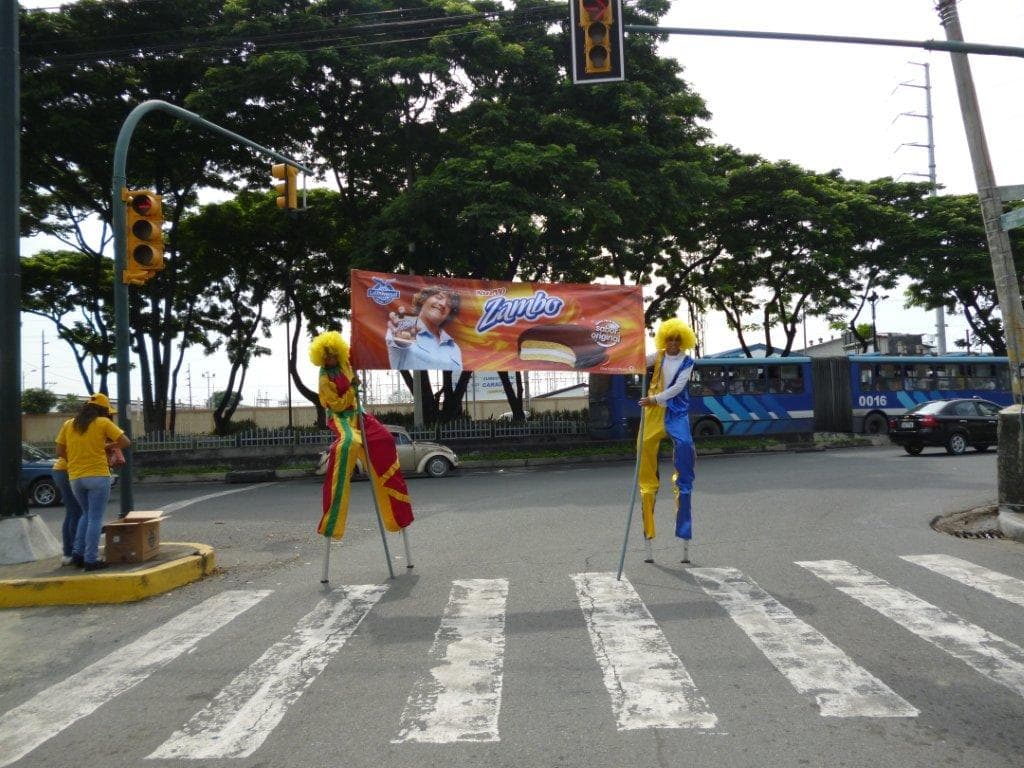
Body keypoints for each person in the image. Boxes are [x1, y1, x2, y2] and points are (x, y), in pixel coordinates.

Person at [310, 330, 414, 539]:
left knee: (385, 439)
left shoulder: (344, 362)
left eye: (333, 354)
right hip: (341, 417)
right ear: (321, 357)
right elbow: (337, 404)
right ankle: (333, 519)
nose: (330, 358)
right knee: (347, 444)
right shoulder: (324, 379)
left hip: (360, 413)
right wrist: (351, 389)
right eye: (327, 356)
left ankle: (398, 515)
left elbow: (359, 349)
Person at [636, 318, 699, 563]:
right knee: (643, 450)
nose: (672, 343)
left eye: (677, 339)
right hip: (653, 414)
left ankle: (683, 501)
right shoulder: (659, 356)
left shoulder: (687, 362)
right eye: (669, 339)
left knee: (684, 448)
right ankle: (648, 520)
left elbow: (677, 389)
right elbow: (640, 362)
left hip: (675, 412)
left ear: (682, 341)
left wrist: (654, 399)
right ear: (664, 340)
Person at [57, 393, 130, 571]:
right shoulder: (102, 423)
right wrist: (108, 447)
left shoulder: (69, 424)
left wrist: (76, 460)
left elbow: (60, 450)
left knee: (86, 514)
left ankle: (77, 554)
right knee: (95, 519)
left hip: (75, 478)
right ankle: (90, 559)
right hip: (97, 475)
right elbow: (125, 442)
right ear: (103, 410)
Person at [385, 286, 463, 374]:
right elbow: (397, 345)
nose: (443, 304)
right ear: (423, 299)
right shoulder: (403, 330)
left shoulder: (454, 348)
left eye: (449, 304)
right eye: (439, 297)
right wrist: (401, 339)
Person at [52, 417, 83, 566]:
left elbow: (59, 450)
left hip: (60, 470)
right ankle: (72, 552)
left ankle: (69, 552)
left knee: (72, 511)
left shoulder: (69, 423)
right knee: (76, 511)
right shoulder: (94, 425)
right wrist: (75, 459)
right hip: (69, 470)